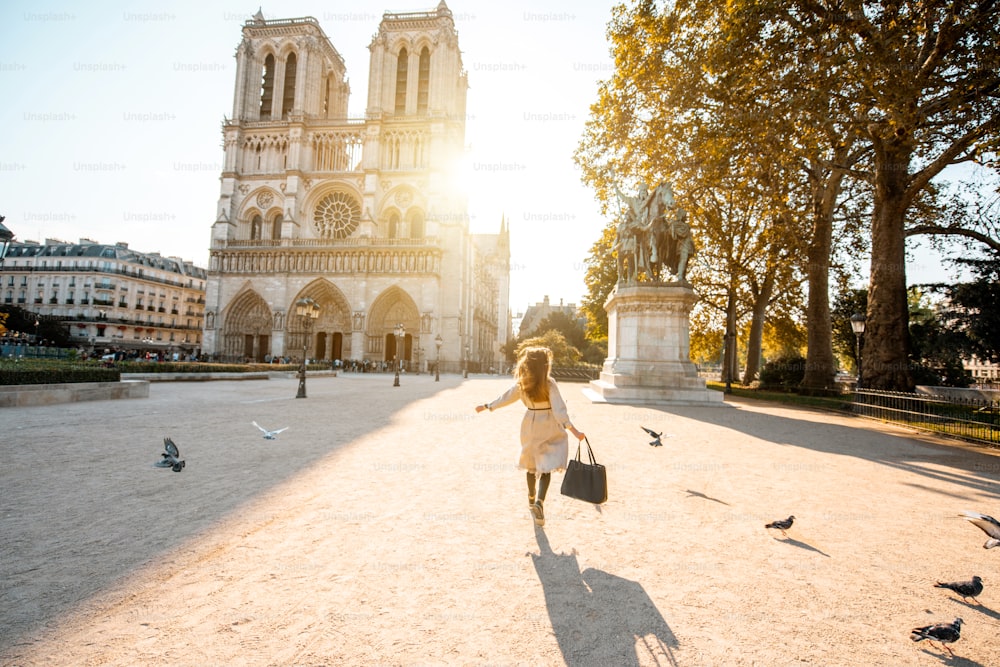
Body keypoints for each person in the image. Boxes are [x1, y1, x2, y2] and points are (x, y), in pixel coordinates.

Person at [476, 347, 586, 527]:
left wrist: (488, 406)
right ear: (544, 365)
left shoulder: (523, 383)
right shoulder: (549, 383)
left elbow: (506, 398)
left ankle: (531, 498)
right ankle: (540, 503)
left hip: (530, 424)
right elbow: (559, 410)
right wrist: (574, 431)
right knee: (546, 466)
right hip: (549, 425)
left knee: (531, 465)